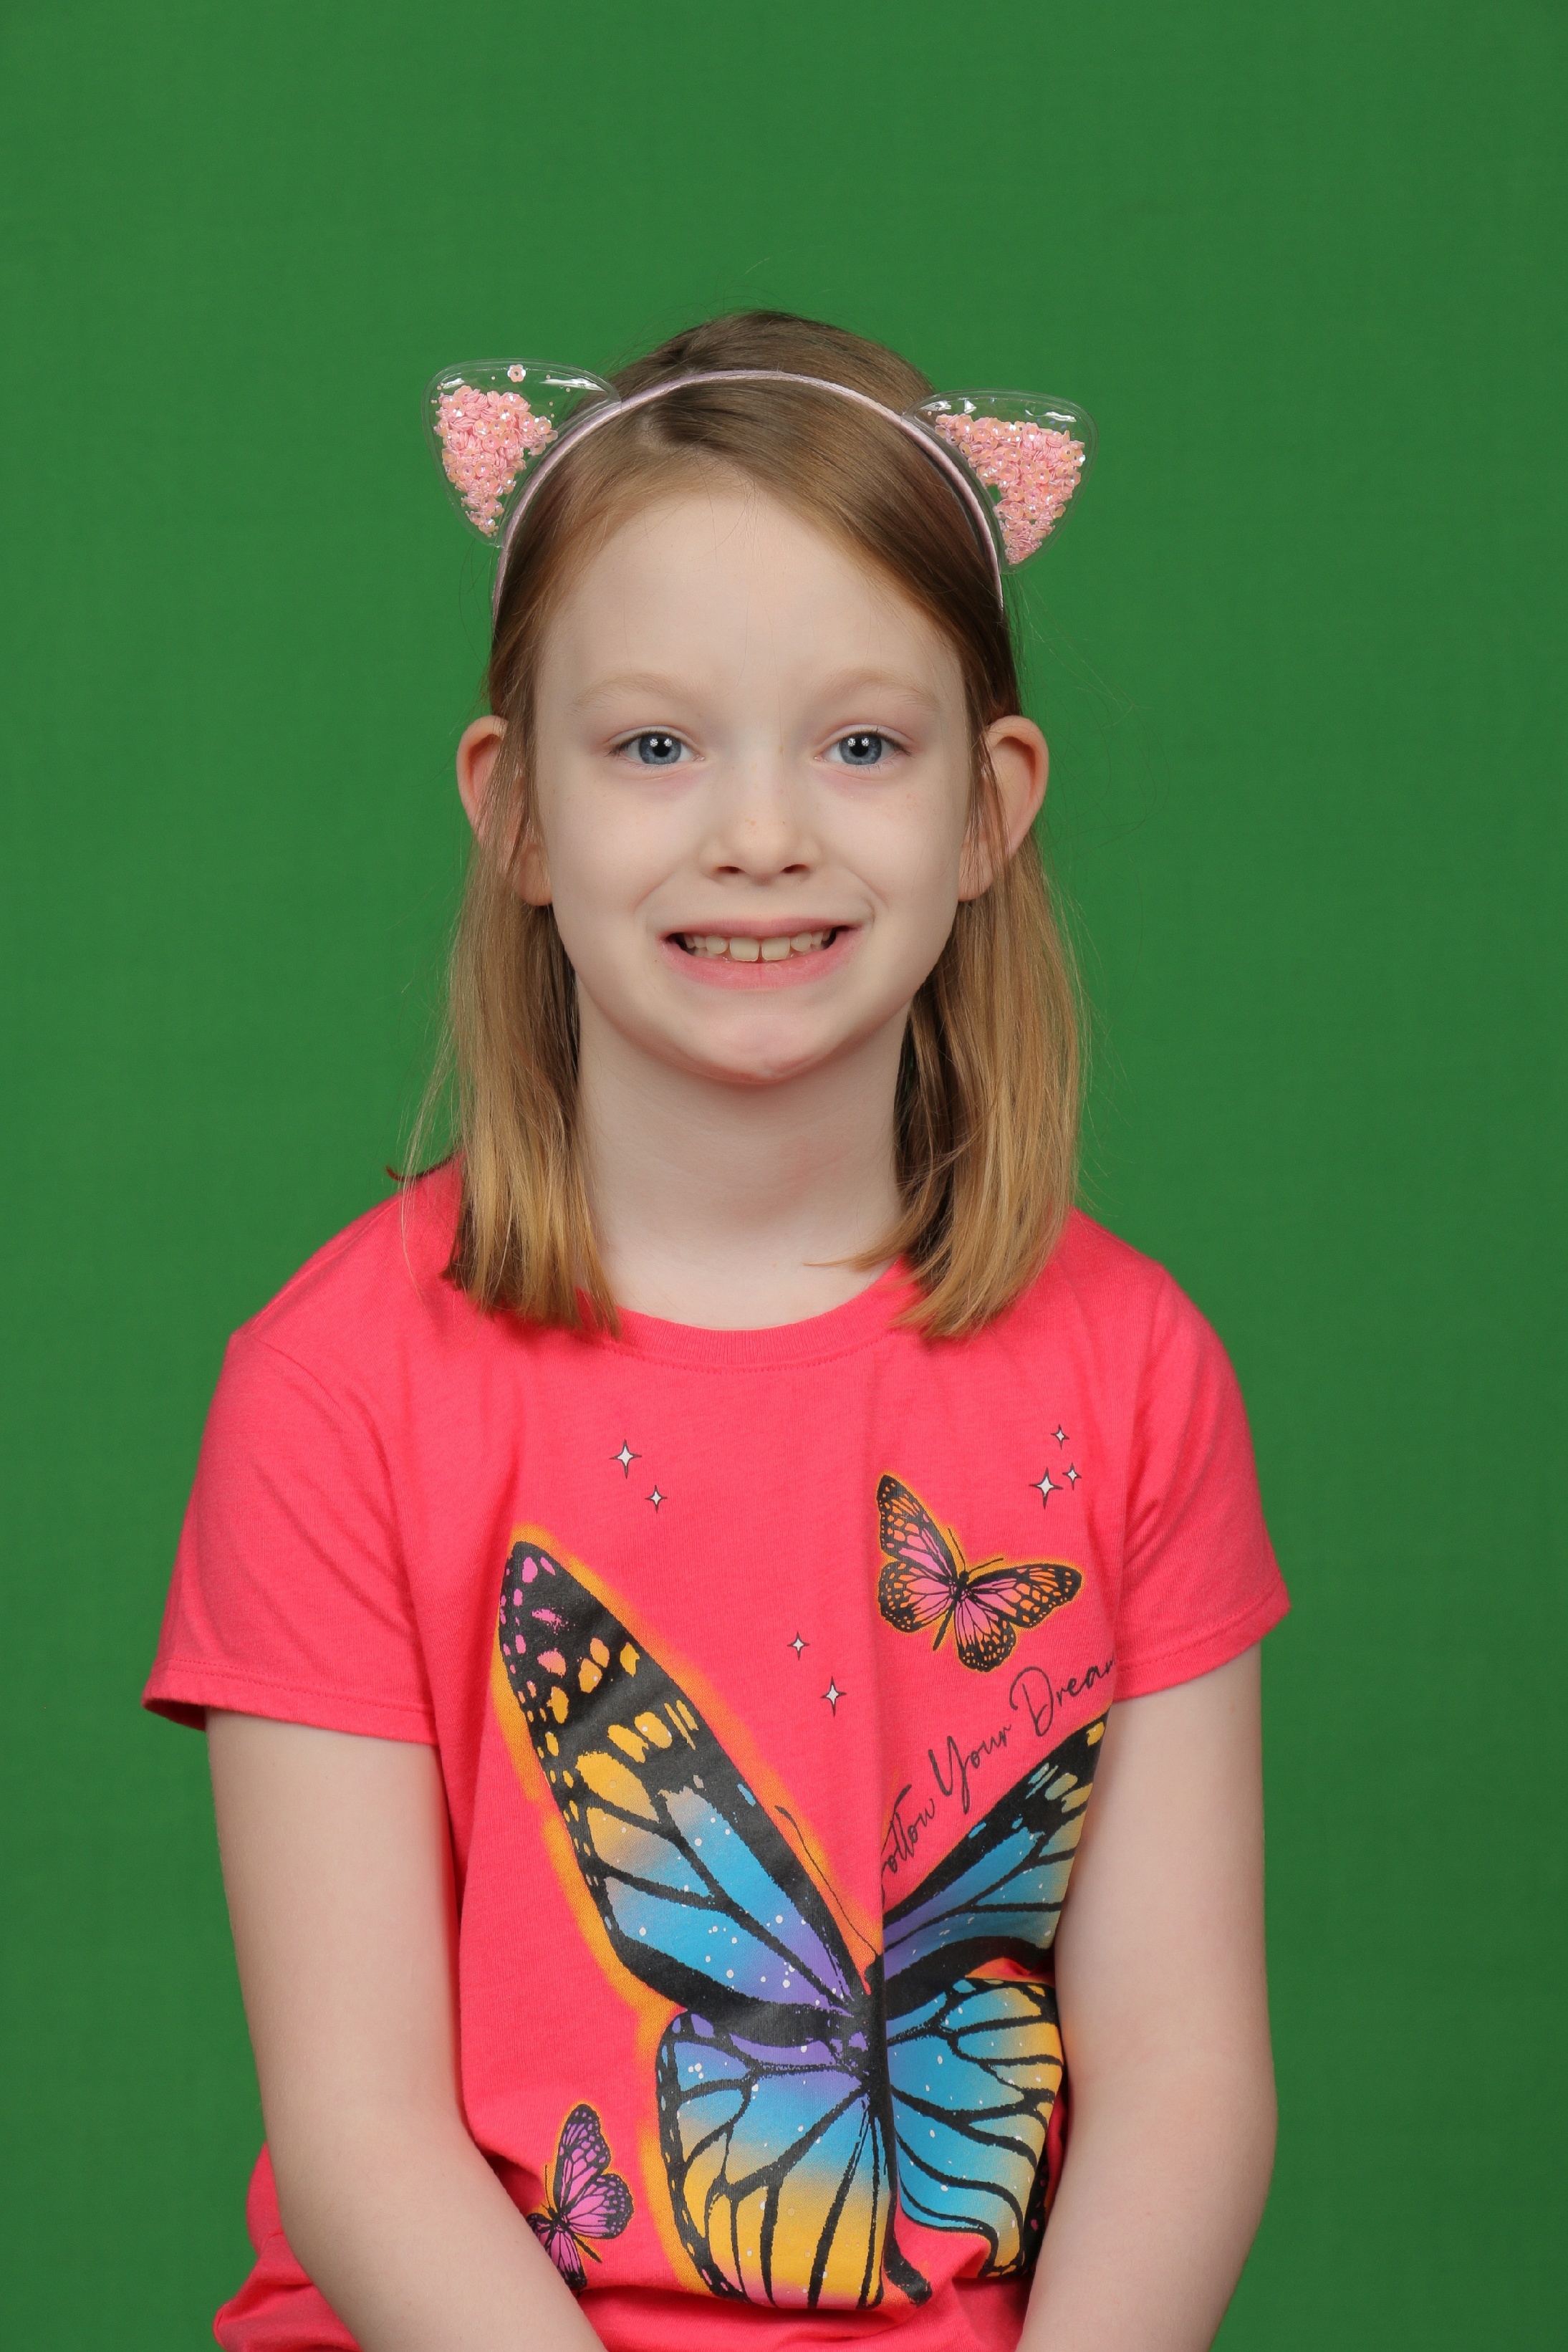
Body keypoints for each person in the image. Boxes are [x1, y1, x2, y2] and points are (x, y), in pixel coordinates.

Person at [145, 310, 1289, 2352]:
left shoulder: (1134, 1368)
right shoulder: (334, 1389)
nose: (762, 833)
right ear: (517, 812)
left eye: (861, 745)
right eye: (656, 746)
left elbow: (1183, 2076)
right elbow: (361, 2132)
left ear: (988, 809)